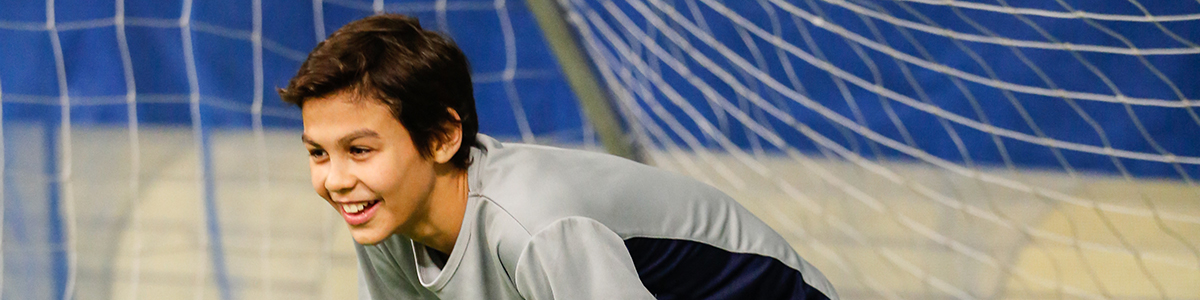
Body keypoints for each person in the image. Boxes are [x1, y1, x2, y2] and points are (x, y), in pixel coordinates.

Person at [279, 13, 837, 300]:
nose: (337, 180)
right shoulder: (384, 215)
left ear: (443, 138)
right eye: (318, 154)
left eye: (359, 150)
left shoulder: (537, 225)